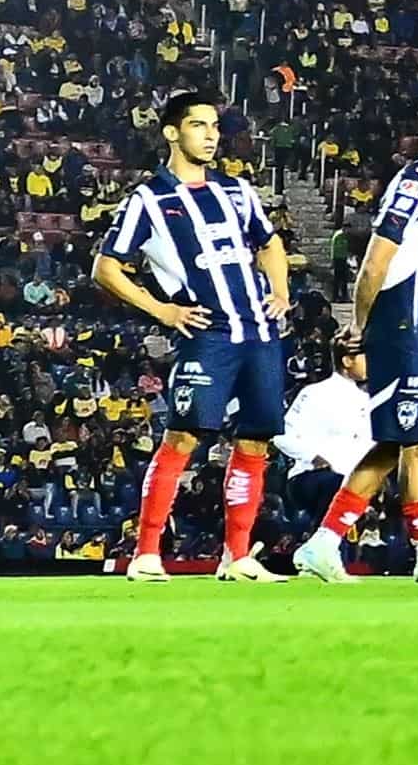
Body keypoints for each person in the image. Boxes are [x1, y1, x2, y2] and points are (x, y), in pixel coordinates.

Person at [96, 89, 294, 582]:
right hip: (208, 335)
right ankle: (146, 553)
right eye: (199, 126)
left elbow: (269, 244)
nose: (211, 136)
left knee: (254, 443)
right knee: (183, 436)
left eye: (215, 127)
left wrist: (281, 292)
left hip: (259, 333)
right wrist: (161, 310)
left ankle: (238, 556)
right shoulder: (150, 198)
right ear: (172, 132)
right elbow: (106, 266)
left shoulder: (237, 190)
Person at [293, 89, 418, 585]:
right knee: (414, 445)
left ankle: (324, 542)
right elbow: (377, 258)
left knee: (396, 444)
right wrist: (360, 323)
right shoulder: (417, 183)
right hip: (403, 329)